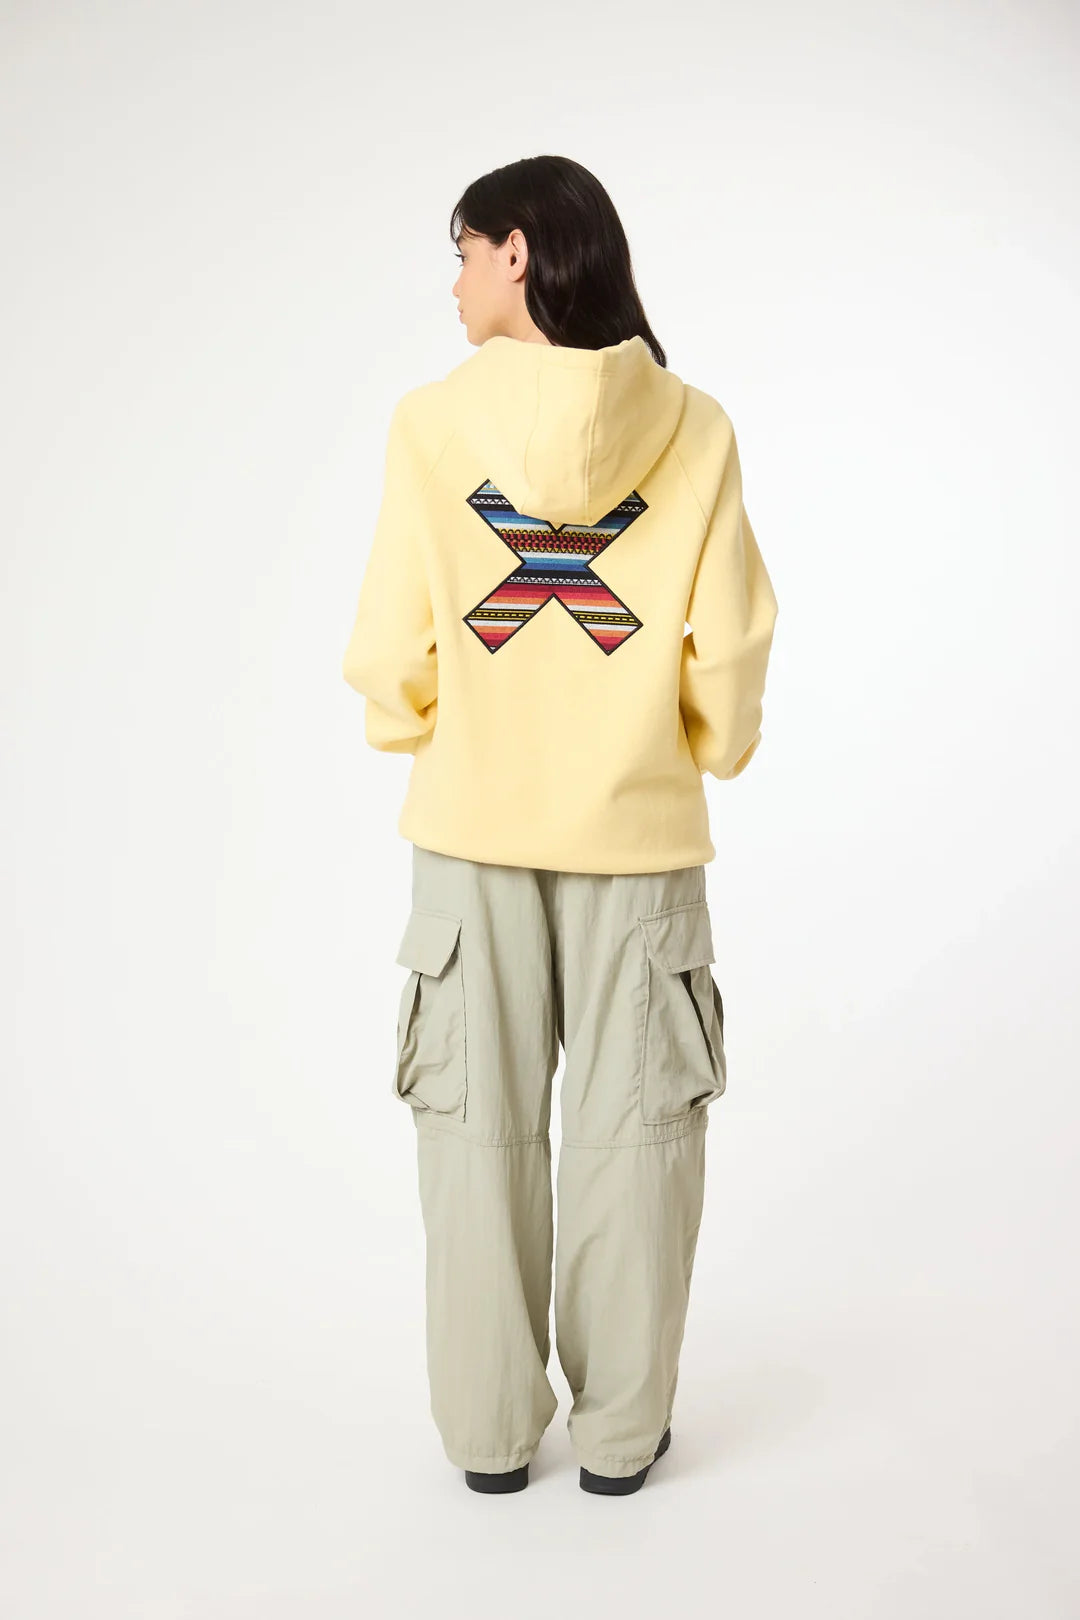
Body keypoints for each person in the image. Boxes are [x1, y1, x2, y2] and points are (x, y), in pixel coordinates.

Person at [341, 154, 779, 1496]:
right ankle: (621, 1441)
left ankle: (486, 1439)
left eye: (465, 250)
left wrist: (432, 724)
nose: (454, 280)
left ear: (519, 252)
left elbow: (390, 658)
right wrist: (683, 745)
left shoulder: (432, 427)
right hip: (638, 848)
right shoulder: (692, 428)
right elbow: (730, 655)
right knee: (635, 1138)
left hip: (471, 840)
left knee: (474, 1136)